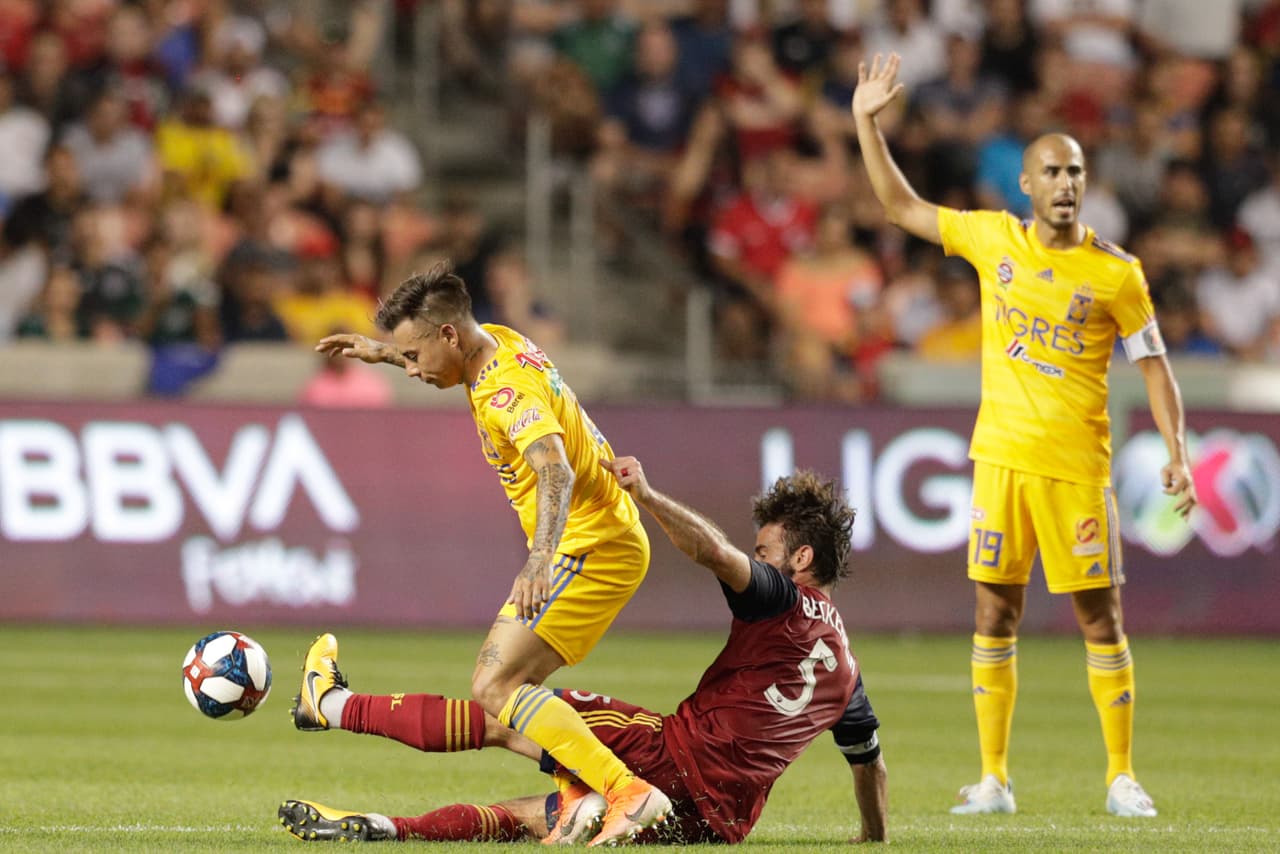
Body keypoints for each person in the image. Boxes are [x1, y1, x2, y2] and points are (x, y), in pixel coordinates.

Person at [851, 54, 1198, 818]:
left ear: (1085, 182)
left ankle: (1120, 776)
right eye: (1052, 170)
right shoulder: (992, 240)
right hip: (1000, 461)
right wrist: (865, 122)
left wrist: (1177, 452)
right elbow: (902, 207)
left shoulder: (1119, 274)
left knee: (1099, 617)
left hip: (1077, 467)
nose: (1066, 183)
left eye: (1075, 170)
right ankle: (995, 781)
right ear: (1027, 184)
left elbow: (1156, 368)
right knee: (992, 615)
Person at [277, 462, 888, 845]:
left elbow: (714, 550)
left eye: (769, 548)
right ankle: (391, 830)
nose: (760, 559)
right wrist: (872, 838)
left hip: (670, 754)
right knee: (527, 818)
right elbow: (869, 767)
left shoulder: (780, 598)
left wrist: (647, 495)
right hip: (716, 824)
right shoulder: (850, 673)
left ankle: (330, 704)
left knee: (505, 707)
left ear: (801, 559)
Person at [309, 262, 667, 846]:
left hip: (589, 545)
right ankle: (584, 787)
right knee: (510, 695)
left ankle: (627, 792)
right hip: (603, 538)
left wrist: (541, 558)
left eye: (416, 354)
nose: (416, 369)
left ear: (448, 335)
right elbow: (442, 357)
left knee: (494, 686)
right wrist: (382, 352)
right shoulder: (496, 339)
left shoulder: (505, 391)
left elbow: (555, 467)